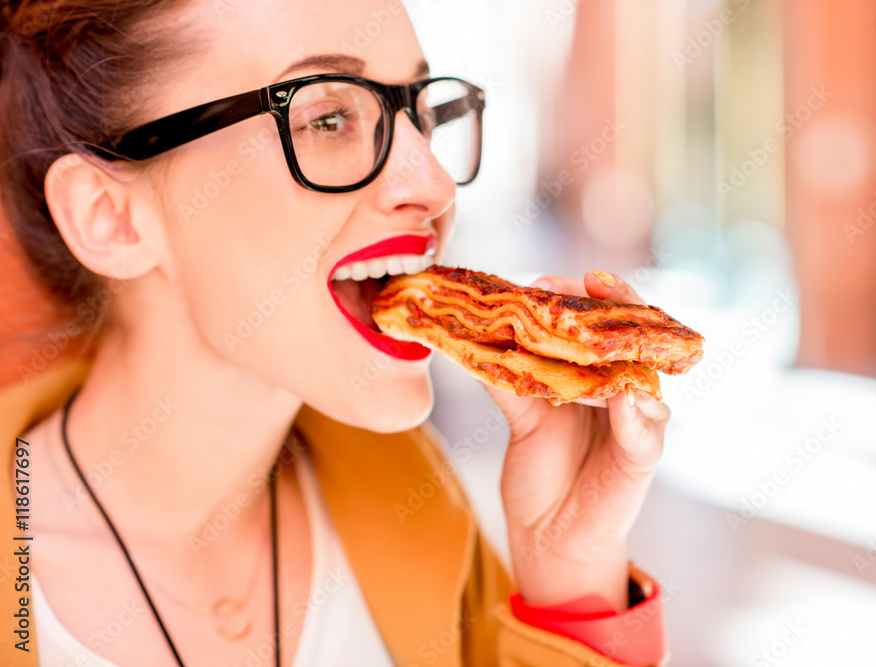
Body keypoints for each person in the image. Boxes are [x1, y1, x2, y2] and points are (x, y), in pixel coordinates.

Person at [0, 0, 671, 665]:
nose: (434, 184)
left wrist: (572, 572)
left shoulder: (428, 526)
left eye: (420, 115)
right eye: (326, 118)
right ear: (110, 218)